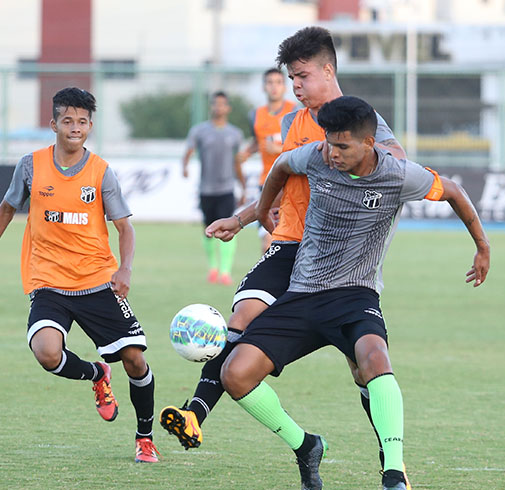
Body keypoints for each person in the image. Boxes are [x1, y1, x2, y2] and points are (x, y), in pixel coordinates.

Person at [222, 95, 490, 490]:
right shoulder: (314, 157)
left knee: (375, 360)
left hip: (354, 295)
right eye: (329, 142)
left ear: (370, 143)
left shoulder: (399, 175)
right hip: (303, 293)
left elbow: (453, 191)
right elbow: (279, 166)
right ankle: (306, 445)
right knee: (235, 374)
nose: (332, 152)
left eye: (342, 146)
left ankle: (394, 472)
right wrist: (260, 211)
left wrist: (482, 247)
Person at [160, 26, 406, 465]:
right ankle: (196, 412)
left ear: (328, 70)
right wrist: (242, 218)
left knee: (362, 370)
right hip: (289, 243)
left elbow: (396, 162)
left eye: (302, 76)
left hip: (337, 259)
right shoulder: (293, 122)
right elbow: (280, 177)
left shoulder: (358, 119)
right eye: (290, 78)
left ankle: (390, 457)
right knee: (241, 317)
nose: (295, 86)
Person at [0, 87, 160, 463]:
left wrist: (125, 268)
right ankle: (96, 375)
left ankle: (145, 437)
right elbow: (5, 211)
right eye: (68, 120)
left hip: (97, 280)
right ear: (53, 123)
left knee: (135, 359)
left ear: (91, 126)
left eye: (83, 121)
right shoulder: (31, 166)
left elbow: (125, 228)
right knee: (46, 352)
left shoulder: (101, 172)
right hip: (48, 281)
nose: (75, 127)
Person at [182, 91, 246, 286]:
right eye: (215, 104)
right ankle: (213, 268)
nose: (218, 107)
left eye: (222, 104)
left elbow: (238, 162)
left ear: (228, 108)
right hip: (206, 189)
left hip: (226, 188)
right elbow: (189, 150)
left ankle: (225, 272)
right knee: (208, 229)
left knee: (229, 228)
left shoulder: (235, 134)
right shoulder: (200, 131)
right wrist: (184, 166)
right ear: (211, 107)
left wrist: (242, 187)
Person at [237, 68, 296, 253]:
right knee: (268, 243)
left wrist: (279, 149)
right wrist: (247, 152)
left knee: (291, 241)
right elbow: (258, 140)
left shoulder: (294, 112)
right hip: (268, 184)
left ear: (285, 87)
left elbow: (302, 145)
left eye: (278, 82)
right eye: (270, 82)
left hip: (292, 184)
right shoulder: (255, 115)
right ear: (264, 87)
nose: (274, 87)